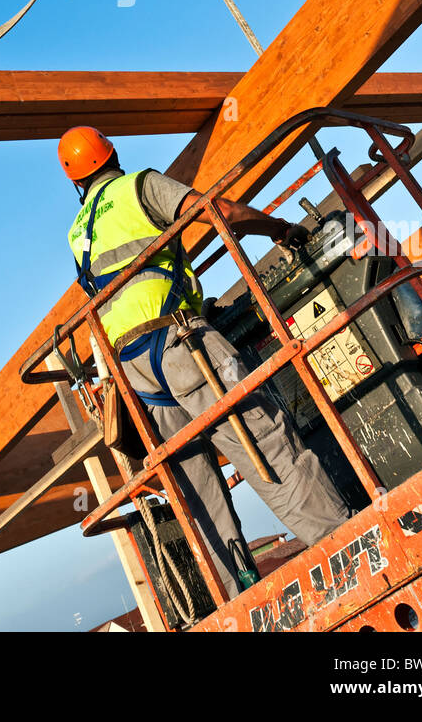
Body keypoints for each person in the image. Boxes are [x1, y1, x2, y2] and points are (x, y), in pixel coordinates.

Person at [59, 124, 351, 599]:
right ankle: (347, 543)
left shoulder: (77, 233)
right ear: (114, 155)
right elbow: (220, 211)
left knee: (195, 488)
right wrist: (282, 229)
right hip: (180, 343)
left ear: (76, 182)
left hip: (135, 368)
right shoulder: (139, 185)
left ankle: (238, 600)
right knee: (264, 440)